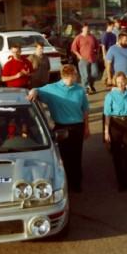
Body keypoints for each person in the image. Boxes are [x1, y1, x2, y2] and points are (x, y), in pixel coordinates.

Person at [28, 65, 90, 193]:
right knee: (63, 157)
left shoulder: (80, 90)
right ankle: (65, 183)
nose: (77, 76)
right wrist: (33, 91)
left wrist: (87, 127)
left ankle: (76, 183)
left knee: (76, 156)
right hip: (61, 127)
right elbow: (36, 90)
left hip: (78, 126)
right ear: (68, 76)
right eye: (75, 74)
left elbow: (85, 110)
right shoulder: (52, 89)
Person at [103, 72, 127, 191]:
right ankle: (121, 182)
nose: (121, 84)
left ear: (126, 81)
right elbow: (107, 114)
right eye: (118, 82)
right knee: (117, 155)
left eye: (122, 81)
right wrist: (106, 131)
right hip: (115, 124)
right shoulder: (110, 96)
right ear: (115, 82)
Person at [71, 24, 100, 93]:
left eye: (88, 28)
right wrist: (79, 56)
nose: (87, 29)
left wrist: (97, 54)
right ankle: (85, 89)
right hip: (83, 59)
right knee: (85, 75)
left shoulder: (92, 37)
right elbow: (73, 48)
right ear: (82, 29)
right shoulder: (78, 37)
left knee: (95, 73)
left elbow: (97, 46)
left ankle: (91, 85)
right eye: (86, 28)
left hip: (93, 58)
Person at [100, 20, 118, 85]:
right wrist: (104, 55)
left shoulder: (114, 35)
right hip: (107, 53)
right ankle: (105, 80)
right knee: (108, 67)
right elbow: (103, 46)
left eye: (113, 26)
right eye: (112, 26)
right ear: (108, 26)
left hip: (113, 52)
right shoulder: (105, 35)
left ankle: (106, 80)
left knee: (110, 67)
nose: (113, 27)